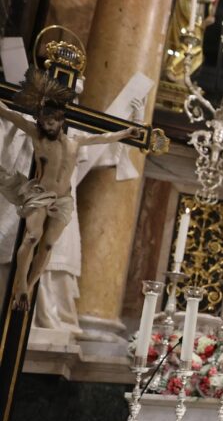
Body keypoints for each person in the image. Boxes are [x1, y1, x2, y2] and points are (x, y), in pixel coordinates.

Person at [0, 69, 139, 310]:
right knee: (32, 237)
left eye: (51, 123)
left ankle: (29, 288)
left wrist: (126, 133)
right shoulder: (37, 136)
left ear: (61, 121)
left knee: (48, 246)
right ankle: (20, 284)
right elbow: (11, 115)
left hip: (63, 199)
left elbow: (104, 137)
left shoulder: (76, 142)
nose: (46, 126)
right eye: (43, 122)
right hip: (39, 195)